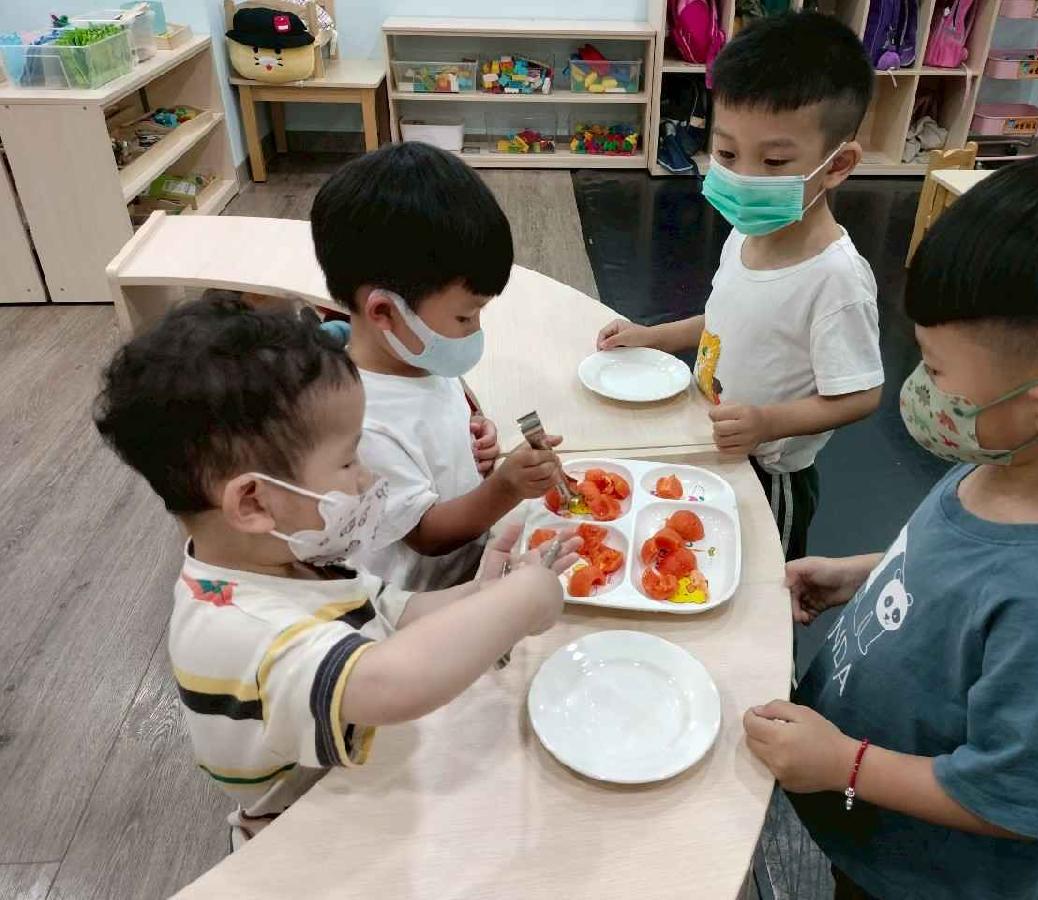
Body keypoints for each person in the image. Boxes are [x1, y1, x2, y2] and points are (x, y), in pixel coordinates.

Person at [742, 152, 1038, 899]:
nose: (919, 387)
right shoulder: (1012, 461)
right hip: (871, 829)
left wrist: (844, 765)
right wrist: (863, 573)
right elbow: (961, 561)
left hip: (922, 879)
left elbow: (1020, 798)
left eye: (935, 370)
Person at [93, 294, 578, 846]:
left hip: (368, 779)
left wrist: (484, 593)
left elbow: (396, 612)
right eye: (349, 460)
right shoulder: (241, 629)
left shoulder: (294, 558)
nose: (368, 477)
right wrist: (524, 599)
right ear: (252, 502)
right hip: (308, 842)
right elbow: (390, 681)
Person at [596, 10, 884, 559]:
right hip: (717, 439)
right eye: (727, 154)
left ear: (837, 164)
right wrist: (655, 336)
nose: (743, 177)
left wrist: (768, 423)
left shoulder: (836, 278)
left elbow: (861, 393)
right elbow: (729, 318)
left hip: (771, 473)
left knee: (763, 578)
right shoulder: (748, 233)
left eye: (773, 161)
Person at [311, 142, 563, 591]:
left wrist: (472, 433)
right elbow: (427, 536)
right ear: (385, 312)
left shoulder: (413, 356)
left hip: (474, 554)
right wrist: (506, 487)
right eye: (465, 317)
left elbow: (436, 415)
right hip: (428, 596)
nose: (474, 330)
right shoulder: (362, 423)